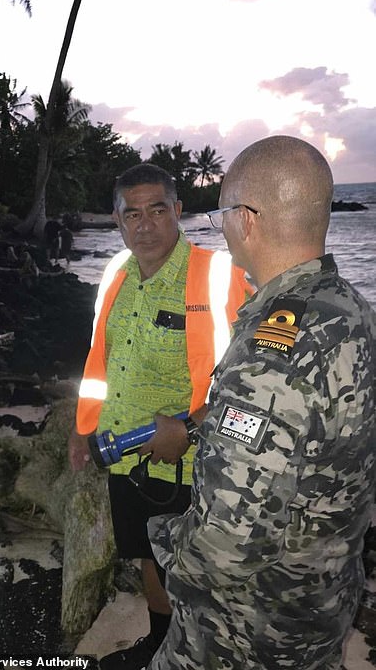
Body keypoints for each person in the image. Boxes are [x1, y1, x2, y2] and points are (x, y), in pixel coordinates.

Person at [148, 136, 376, 670]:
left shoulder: (273, 351)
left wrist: (169, 551)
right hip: (323, 600)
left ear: (246, 219)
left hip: (250, 628)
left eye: (223, 213)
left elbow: (229, 544)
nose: (222, 228)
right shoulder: (349, 308)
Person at [68, 163, 251, 670]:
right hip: (125, 455)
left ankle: (198, 654)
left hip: (194, 463)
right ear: (117, 219)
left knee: (199, 571)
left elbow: (256, 380)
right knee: (147, 553)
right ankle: (159, 643)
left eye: (156, 210)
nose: (145, 224)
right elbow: (98, 360)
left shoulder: (220, 276)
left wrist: (192, 429)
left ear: (178, 211)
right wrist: (82, 428)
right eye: (132, 213)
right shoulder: (115, 273)